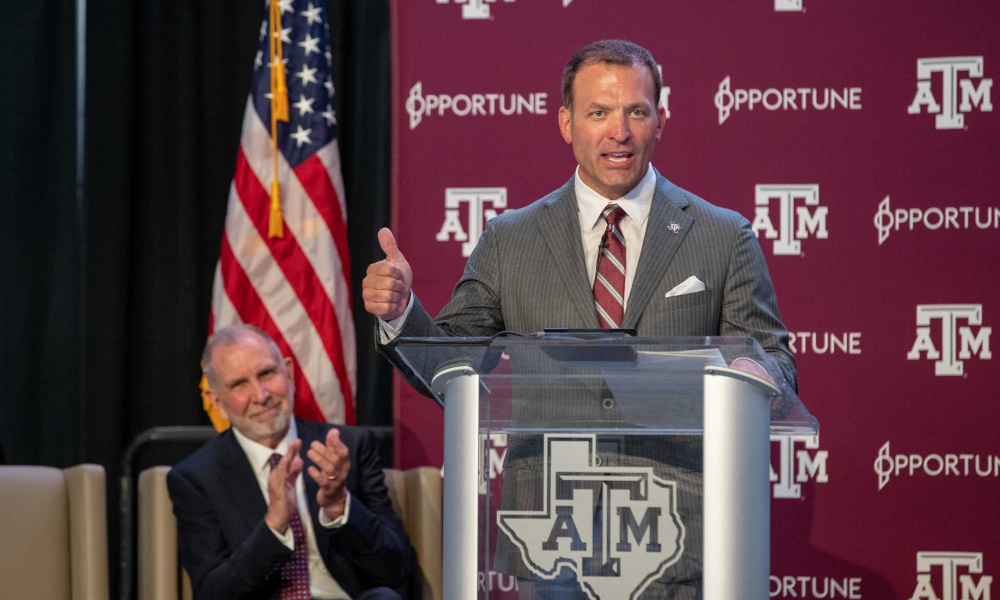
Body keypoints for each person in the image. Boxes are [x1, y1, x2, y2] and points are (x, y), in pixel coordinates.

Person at [364, 39, 795, 599]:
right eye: (599, 112)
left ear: (660, 120)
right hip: (552, 532)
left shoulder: (721, 235)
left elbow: (774, 358)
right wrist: (402, 314)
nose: (620, 131)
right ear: (566, 123)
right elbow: (453, 365)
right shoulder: (510, 239)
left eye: (636, 111)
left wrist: (756, 379)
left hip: (681, 531)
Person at [167, 325, 415, 600]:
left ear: (289, 373)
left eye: (267, 373)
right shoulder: (196, 477)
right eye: (239, 384)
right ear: (217, 400)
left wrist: (339, 506)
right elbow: (213, 593)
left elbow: (397, 570)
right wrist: (274, 525)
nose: (261, 396)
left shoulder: (347, 448)